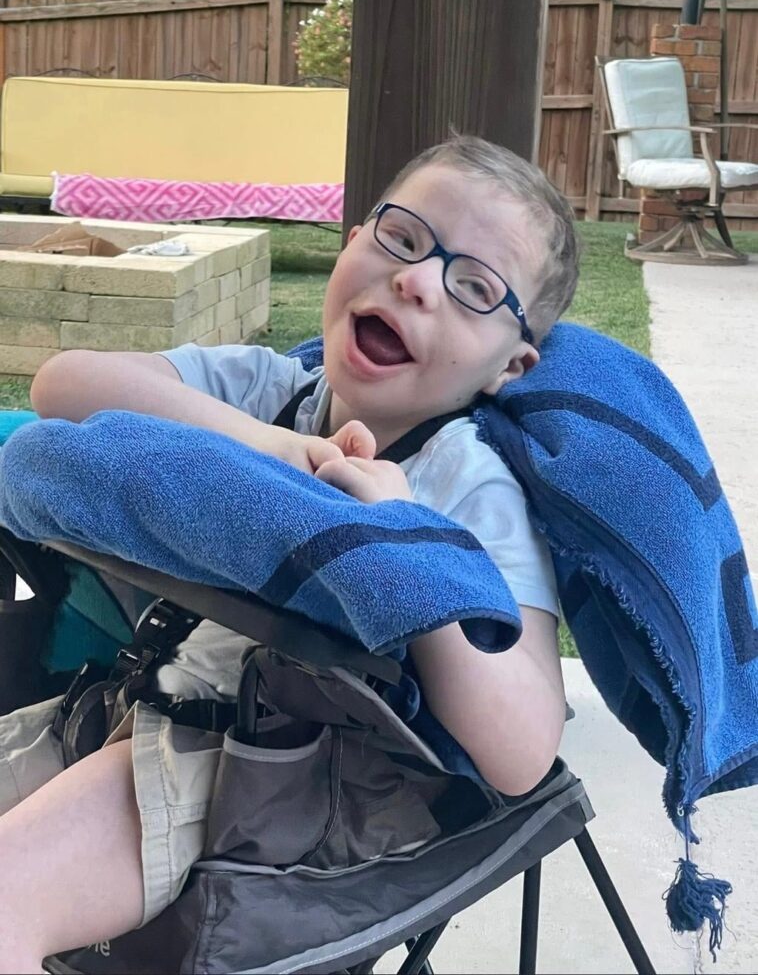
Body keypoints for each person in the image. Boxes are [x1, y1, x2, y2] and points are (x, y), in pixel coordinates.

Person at [0, 134, 579, 972]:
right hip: (147, 704)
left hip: (277, 775)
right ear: (353, 241)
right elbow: (64, 385)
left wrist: (402, 543)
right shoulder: (276, 393)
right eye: (403, 238)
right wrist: (276, 453)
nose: (417, 280)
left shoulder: (464, 483)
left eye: (475, 288)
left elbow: (522, 751)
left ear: (510, 365)